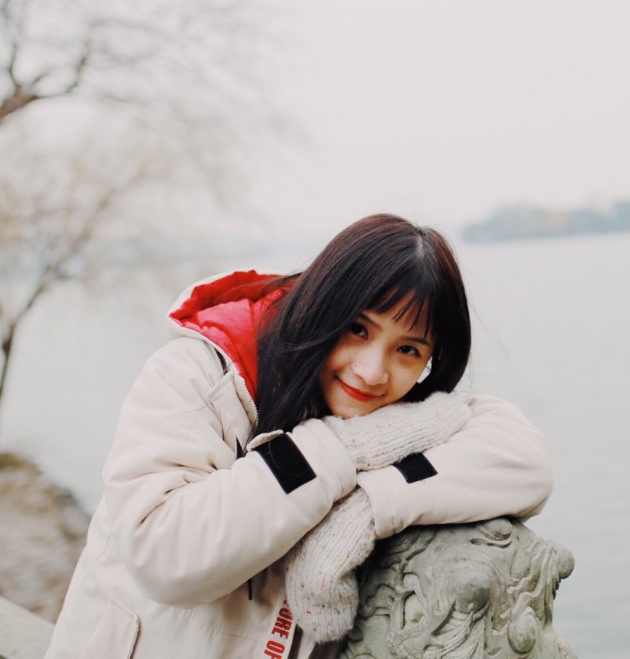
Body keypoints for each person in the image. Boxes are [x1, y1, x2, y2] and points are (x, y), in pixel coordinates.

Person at [45, 214, 553, 659]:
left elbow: (525, 462)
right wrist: (341, 448)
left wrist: (366, 508)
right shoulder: (198, 374)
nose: (372, 372)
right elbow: (163, 556)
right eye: (358, 329)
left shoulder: (395, 415)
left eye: (408, 351)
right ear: (322, 306)